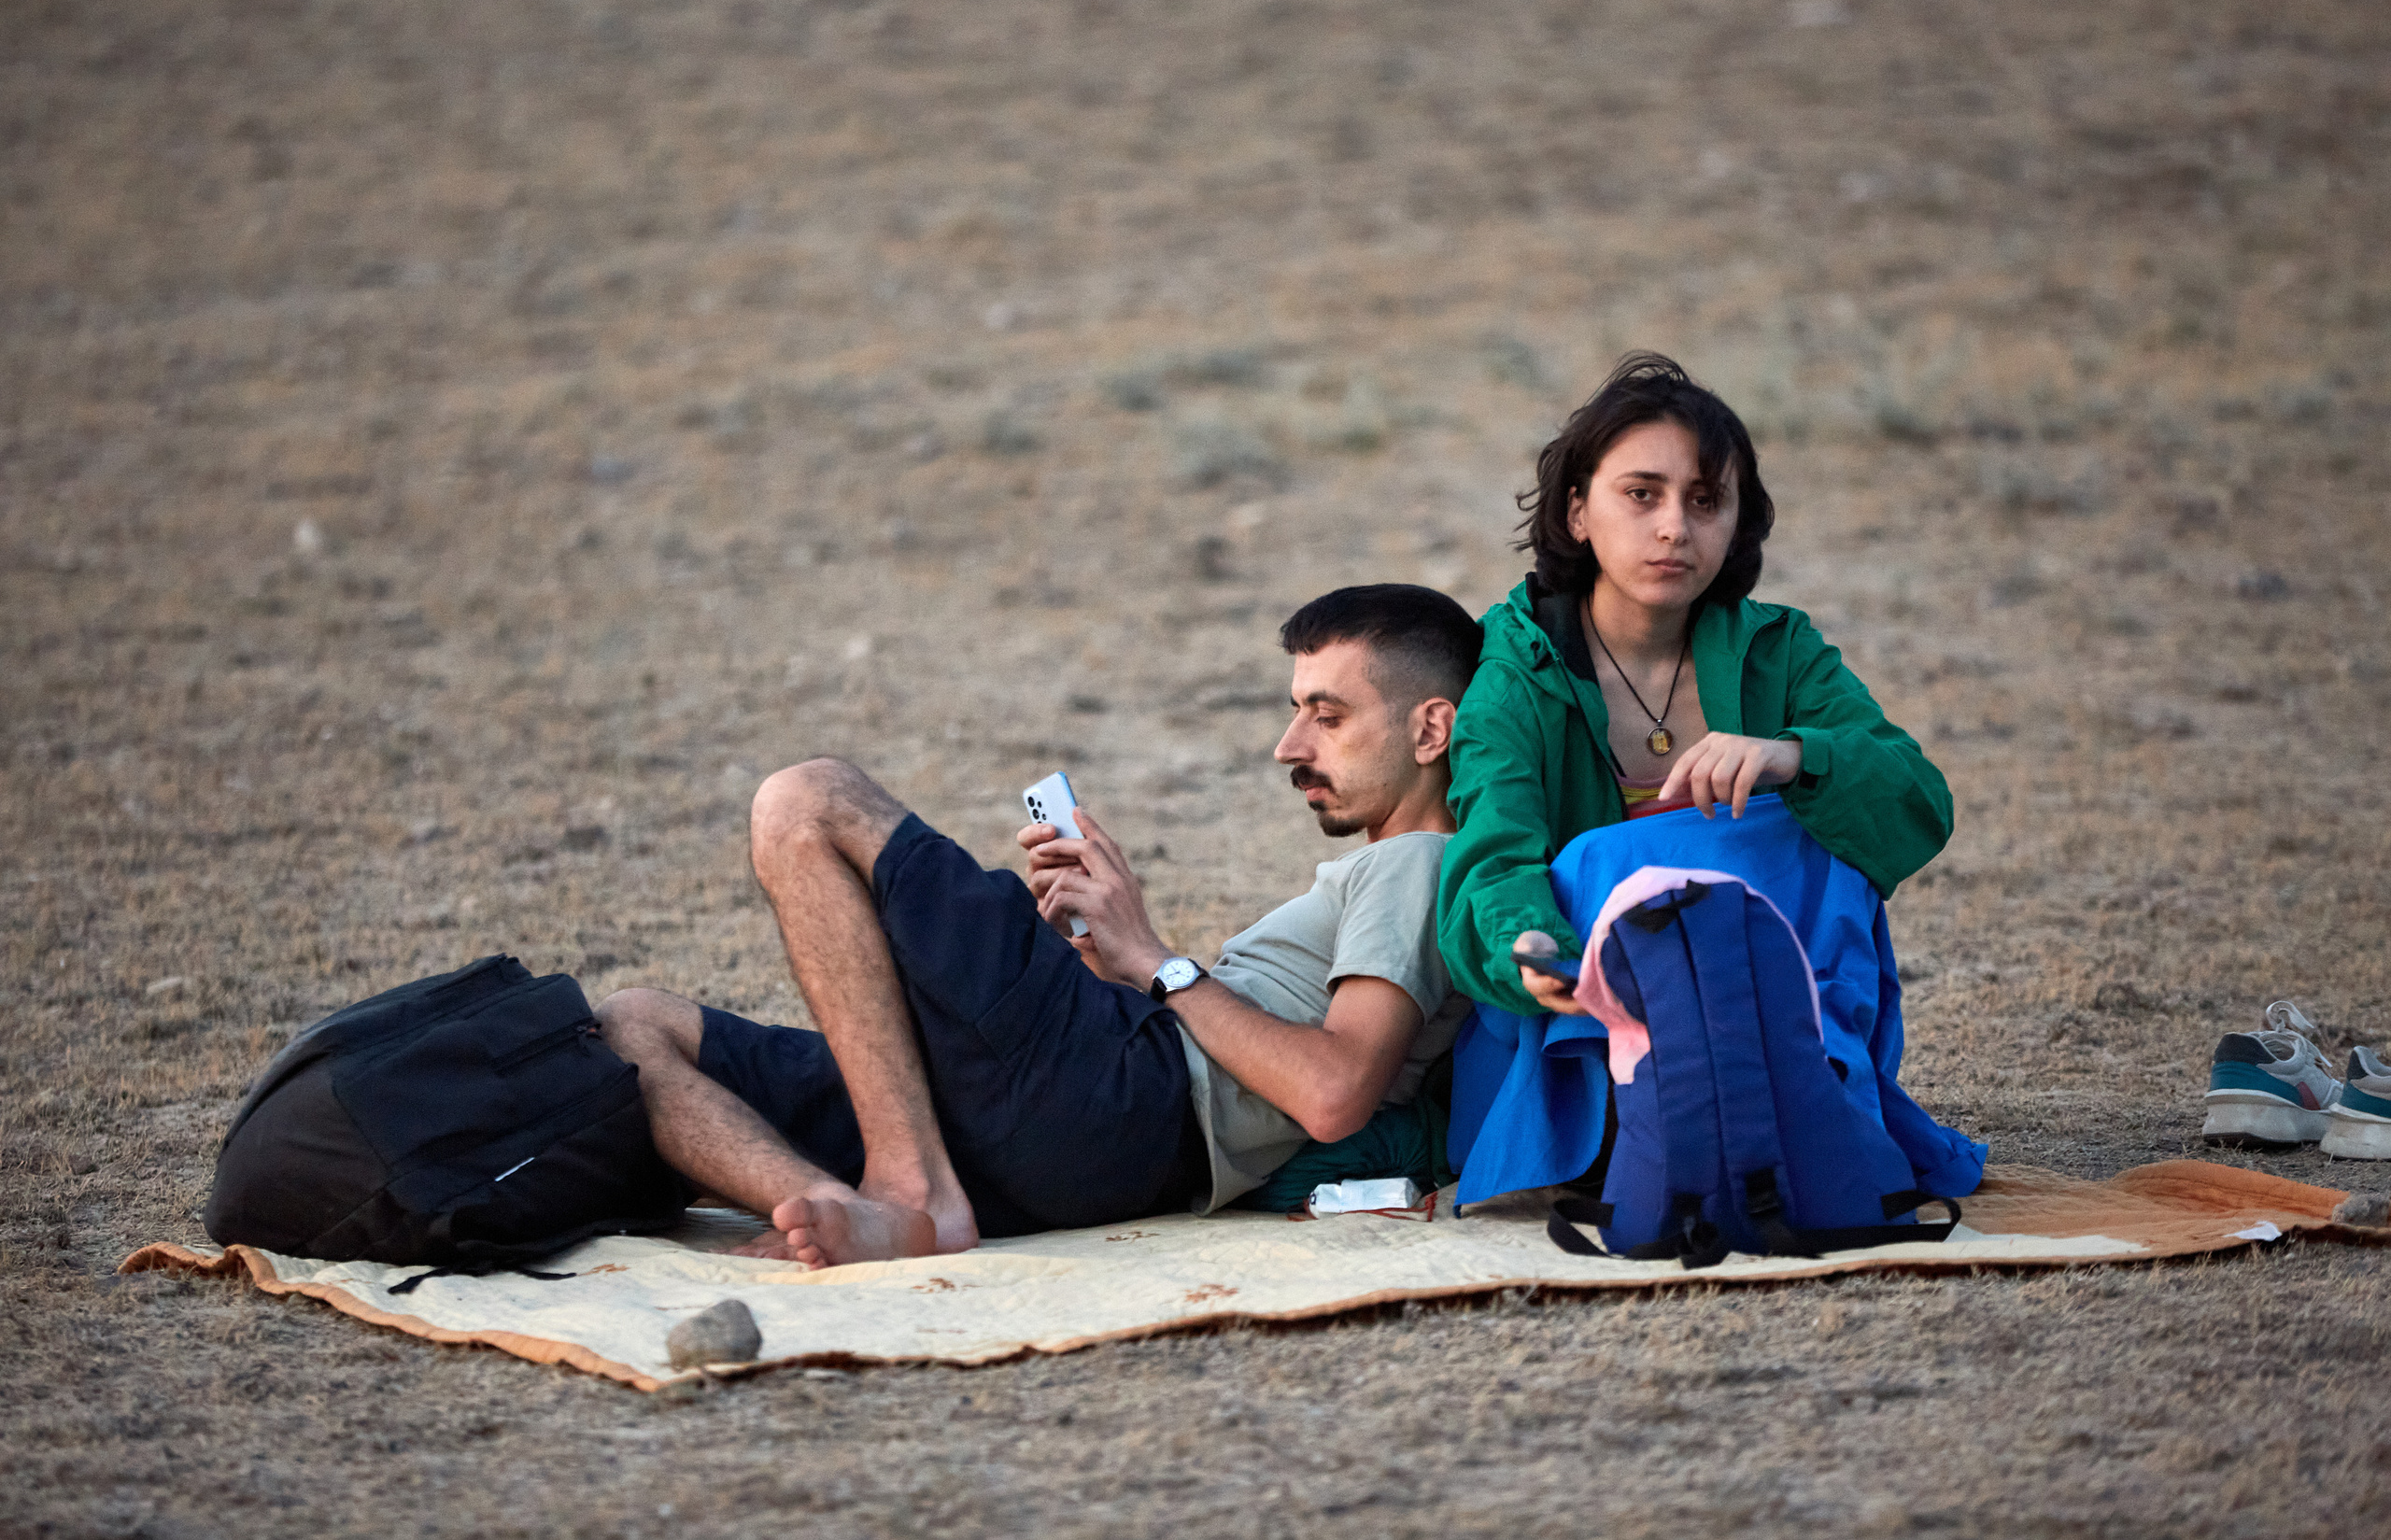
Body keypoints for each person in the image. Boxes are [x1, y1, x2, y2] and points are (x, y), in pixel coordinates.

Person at [598, 585, 1482, 1267]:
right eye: (1295, 713)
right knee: (636, 1028)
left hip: (1133, 1104)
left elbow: (1333, 1094)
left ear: (1430, 729)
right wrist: (1106, 957)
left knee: (810, 799)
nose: (1290, 746)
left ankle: (911, 1188)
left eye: (1326, 717)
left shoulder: (1418, 864)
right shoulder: (1383, 871)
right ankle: (858, 1202)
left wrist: (1153, 959)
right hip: (1071, 1137)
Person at [1437, 350, 1954, 1021]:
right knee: (1594, 862)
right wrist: (1532, 947)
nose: (1675, 527)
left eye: (1705, 500)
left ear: (1738, 521)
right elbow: (1492, 857)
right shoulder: (1517, 675)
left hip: (1766, 1007)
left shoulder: (1779, 651)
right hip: (1583, 1018)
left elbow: (1917, 801)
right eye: (1641, 494)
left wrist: (1791, 758)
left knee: (1823, 841)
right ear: (1577, 513)